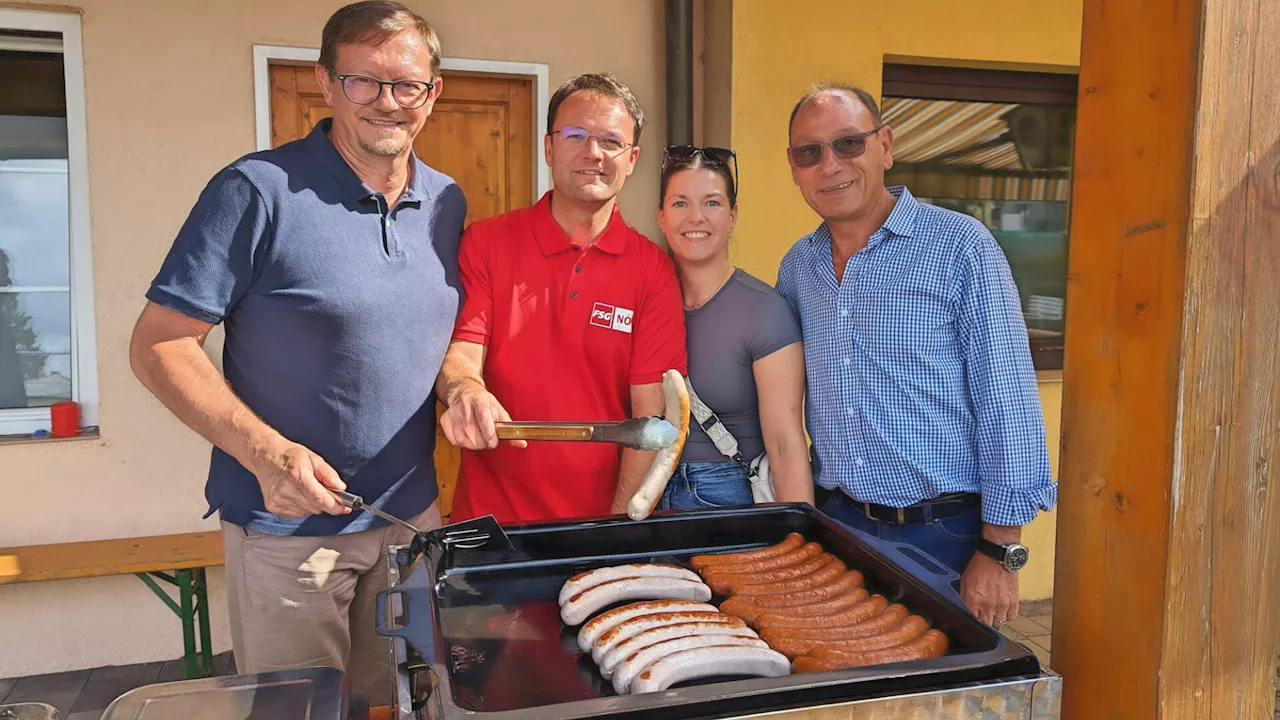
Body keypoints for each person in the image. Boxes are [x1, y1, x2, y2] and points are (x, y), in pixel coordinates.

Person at [128, 1, 462, 703]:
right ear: (325, 81)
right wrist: (266, 454)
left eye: (407, 85)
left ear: (433, 93)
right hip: (289, 536)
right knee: (296, 713)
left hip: (408, 525)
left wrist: (465, 386)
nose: (386, 103)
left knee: (401, 704)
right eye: (363, 81)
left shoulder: (446, 202)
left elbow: (441, 336)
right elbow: (160, 345)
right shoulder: (256, 191)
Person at [775, 82, 1056, 627]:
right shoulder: (798, 267)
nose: (830, 165)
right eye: (809, 152)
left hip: (945, 535)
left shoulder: (960, 247)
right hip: (837, 526)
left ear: (885, 145)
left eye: (848, 144)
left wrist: (1001, 550)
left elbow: (1009, 403)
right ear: (794, 168)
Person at [437, 72, 687, 524]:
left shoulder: (652, 271)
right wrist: (466, 389)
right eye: (576, 135)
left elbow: (648, 421)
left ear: (631, 160)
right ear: (549, 148)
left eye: (610, 141)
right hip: (488, 524)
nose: (593, 153)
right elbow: (461, 355)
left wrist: (611, 534)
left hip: (595, 525)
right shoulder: (487, 243)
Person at [652, 146, 813, 510]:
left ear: (733, 216)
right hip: (648, 489)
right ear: (661, 216)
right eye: (680, 204)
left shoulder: (763, 309)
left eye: (711, 203)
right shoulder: (645, 299)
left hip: (728, 493)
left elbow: (786, 442)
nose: (696, 217)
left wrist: (800, 536)